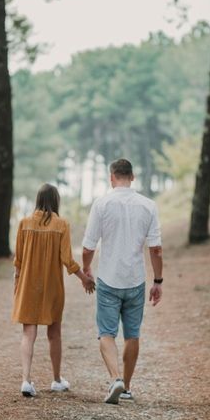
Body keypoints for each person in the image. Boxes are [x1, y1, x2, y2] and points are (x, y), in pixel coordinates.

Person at [82, 159, 163, 404]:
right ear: (133, 176)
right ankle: (126, 387)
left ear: (112, 177)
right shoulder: (149, 206)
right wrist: (158, 281)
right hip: (135, 280)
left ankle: (115, 378)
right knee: (132, 335)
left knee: (106, 332)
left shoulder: (102, 204)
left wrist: (86, 268)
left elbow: (88, 246)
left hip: (108, 278)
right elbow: (156, 249)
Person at [12, 183, 95, 397]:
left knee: (28, 333)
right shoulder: (62, 225)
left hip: (28, 284)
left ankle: (26, 380)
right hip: (52, 287)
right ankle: (56, 379)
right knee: (54, 333)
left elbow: (18, 261)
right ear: (55, 200)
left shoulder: (24, 224)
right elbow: (66, 259)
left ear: (38, 200)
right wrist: (83, 278)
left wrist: (17, 284)